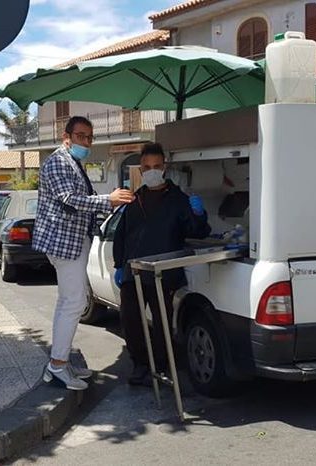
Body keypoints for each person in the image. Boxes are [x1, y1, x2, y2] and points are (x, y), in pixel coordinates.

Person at [33, 116, 135, 390]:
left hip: (73, 241)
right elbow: (69, 199)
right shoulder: (57, 161)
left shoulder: (72, 162)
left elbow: (80, 199)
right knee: (74, 303)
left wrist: (108, 204)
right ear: (66, 136)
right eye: (80, 136)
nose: (86, 142)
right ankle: (56, 366)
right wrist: (107, 200)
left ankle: (60, 362)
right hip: (65, 243)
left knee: (68, 302)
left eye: (89, 137)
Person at [113, 142, 211, 385]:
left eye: (156, 166)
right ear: (141, 169)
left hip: (163, 274)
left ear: (164, 167)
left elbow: (197, 231)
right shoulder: (134, 199)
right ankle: (140, 365)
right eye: (147, 167)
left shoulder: (179, 200)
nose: (152, 171)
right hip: (133, 273)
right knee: (131, 321)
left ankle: (163, 365)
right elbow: (121, 234)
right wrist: (118, 265)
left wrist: (199, 215)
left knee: (163, 323)